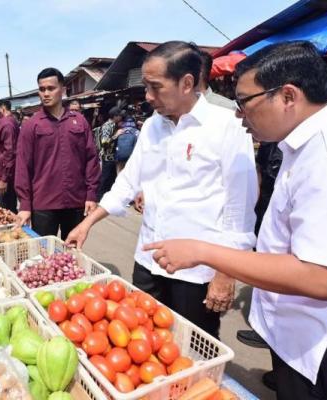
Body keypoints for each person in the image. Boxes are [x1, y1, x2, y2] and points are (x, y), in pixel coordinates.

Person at [144, 41, 327, 399]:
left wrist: (204, 252)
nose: (239, 114)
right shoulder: (305, 143)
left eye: (244, 102)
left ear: (288, 96)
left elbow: (320, 277)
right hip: (300, 341)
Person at [66, 41, 257, 338]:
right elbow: (128, 182)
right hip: (149, 261)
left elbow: (239, 210)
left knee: (192, 347)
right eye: (146, 86)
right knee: (142, 338)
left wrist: (226, 273)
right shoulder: (153, 126)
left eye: (156, 87)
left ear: (187, 83)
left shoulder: (227, 127)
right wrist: (88, 223)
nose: (148, 96)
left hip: (196, 272)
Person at [15, 68, 100, 239]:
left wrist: (91, 194)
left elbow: (91, 159)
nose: (45, 93)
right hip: (44, 204)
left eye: (51, 88)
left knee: (72, 253)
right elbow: (23, 166)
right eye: (42, 89)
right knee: (44, 256)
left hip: (76, 201)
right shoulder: (32, 125)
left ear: (63, 90)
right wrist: (25, 205)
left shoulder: (79, 121)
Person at [97, 106, 124, 200]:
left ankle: (108, 197)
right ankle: (99, 198)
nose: (121, 117)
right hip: (107, 156)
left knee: (111, 178)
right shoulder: (107, 126)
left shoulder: (113, 125)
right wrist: (116, 135)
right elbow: (104, 142)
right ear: (115, 116)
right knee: (105, 178)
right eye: (120, 115)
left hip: (112, 157)